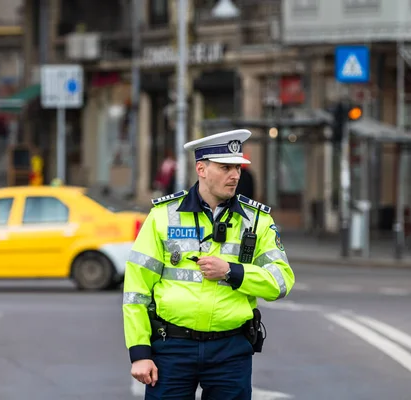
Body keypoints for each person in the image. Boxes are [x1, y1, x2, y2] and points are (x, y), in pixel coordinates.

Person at [122, 129, 295, 399]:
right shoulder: (163, 217)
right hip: (172, 348)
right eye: (226, 167)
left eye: (237, 167)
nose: (235, 175)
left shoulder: (257, 221)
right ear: (201, 169)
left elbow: (281, 282)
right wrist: (140, 353)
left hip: (230, 350)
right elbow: (136, 291)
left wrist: (232, 272)